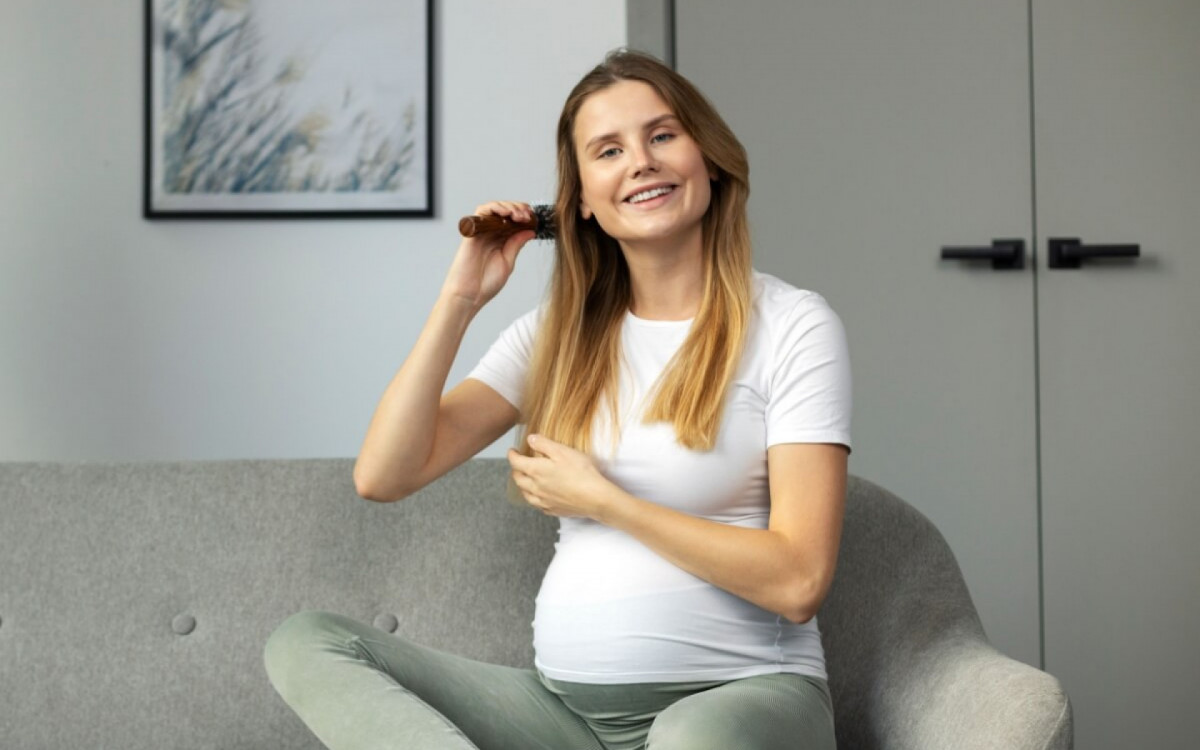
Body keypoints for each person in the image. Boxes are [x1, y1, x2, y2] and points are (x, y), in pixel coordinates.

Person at [264, 47, 851, 750]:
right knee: (308, 641)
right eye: (608, 151)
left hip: (744, 699)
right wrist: (460, 301)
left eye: (662, 135)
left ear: (711, 160)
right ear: (581, 202)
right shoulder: (555, 336)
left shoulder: (792, 325)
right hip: (565, 717)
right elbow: (384, 475)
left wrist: (610, 503)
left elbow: (799, 579)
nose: (641, 160)